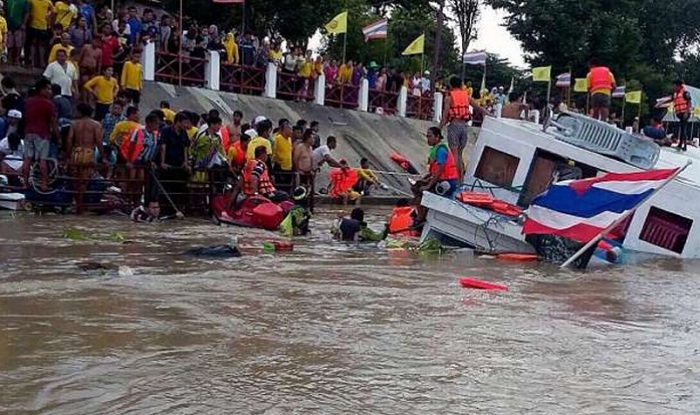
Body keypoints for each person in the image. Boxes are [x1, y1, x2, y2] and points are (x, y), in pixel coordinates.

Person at [412, 127, 460, 221]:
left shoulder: (441, 150)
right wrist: (425, 179)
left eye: (430, 136)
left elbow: (440, 170)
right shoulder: (435, 149)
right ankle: (421, 214)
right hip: (441, 179)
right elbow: (433, 171)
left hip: (448, 182)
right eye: (427, 136)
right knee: (416, 186)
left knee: (421, 191)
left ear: (437, 137)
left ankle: (421, 218)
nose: (428, 139)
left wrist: (428, 185)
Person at [21, 79, 57, 191]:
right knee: (42, 159)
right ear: (42, 89)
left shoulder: (27, 102)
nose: (50, 91)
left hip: (28, 132)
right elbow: (52, 122)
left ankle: (25, 183)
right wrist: (57, 136)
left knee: (27, 158)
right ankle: (44, 183)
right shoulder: (48, 104)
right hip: (42, 133)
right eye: (48, 88)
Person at [439, 76, 474, 182]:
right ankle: (461, 180)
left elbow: (445, 117)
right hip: (464, 127)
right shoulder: (466, 96)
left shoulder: (449, 98)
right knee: (459, 154)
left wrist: (438, 129)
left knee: (454, 154)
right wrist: (489, 114)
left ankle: (456, 179)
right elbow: (479, 107)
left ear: (451, 85)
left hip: (454, 125)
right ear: (461, 85)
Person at [66, 102, 103, 182]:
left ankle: (77, 194)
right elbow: (98, 140)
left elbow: (69, 140)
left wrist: (68, 155)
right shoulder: (96, 124)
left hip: (76, 151)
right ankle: (82, 193)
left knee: (75, 178)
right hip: (88, 152)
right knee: (85, 178)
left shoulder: (74, 124)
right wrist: (103, 156)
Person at [26, 0, 54, 68]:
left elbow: (53, 11)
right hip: (32, 25)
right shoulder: (31, 1)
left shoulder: (48, 1)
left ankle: (42, 62)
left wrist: (49, 16)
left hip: (43, 26)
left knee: (41, 45)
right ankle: (32, 62)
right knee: (33, 43)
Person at [272, 118, 294, 193]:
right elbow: (273, 153)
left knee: (288, 187)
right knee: (280, 187)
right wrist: (278, 162)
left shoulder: (290, 140)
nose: (291, 131)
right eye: (290, 129)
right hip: (280, 167)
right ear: (285, 129)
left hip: (289, 167)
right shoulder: (277, 138)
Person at [672, 79, 692, 151]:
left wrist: (687, 112)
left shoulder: (685, 93)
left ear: (679, 86)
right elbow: (671, 99)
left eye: (674, 86)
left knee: (683, 129)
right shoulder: (676, 93)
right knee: (681, 128)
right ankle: (681, 144)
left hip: (685, 113)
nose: (673, 87)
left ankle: (683, 146)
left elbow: (689, 102)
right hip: (680, 113)